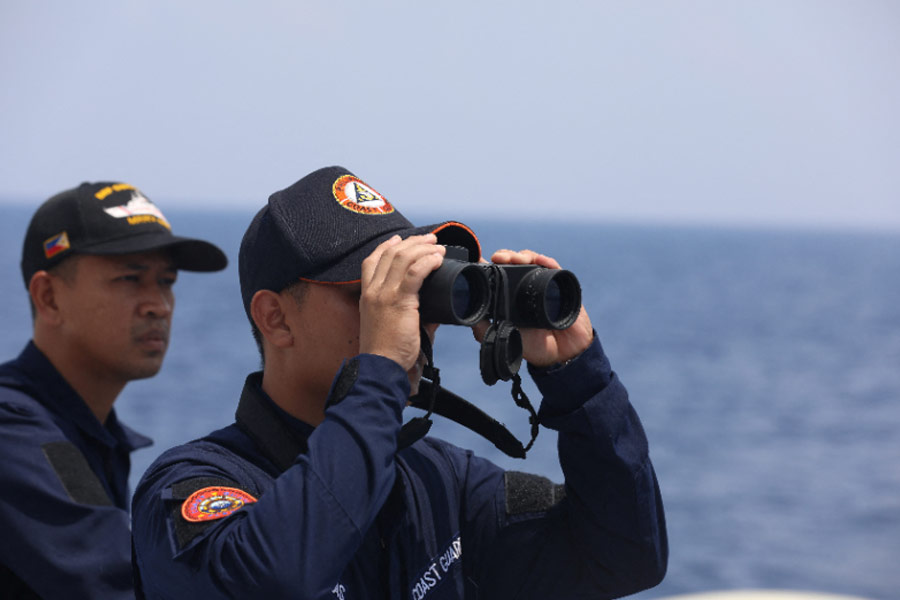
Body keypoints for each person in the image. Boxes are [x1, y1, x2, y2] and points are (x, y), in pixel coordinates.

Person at [131, 166, 668, 599]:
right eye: (372, 293)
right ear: (275, 318)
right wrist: (380, 371)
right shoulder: (188, 488)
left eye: (417, 289)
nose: (407, 316)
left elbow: (624, 557)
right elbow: (277, 579)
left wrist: (579, 380)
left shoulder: (440, 484)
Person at [0, 181, 227, 598]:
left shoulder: (81, 431)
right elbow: (120, 587)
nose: (158, 303)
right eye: (129, 278)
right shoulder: (14, 433)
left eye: (166, 280)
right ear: (48, 297)